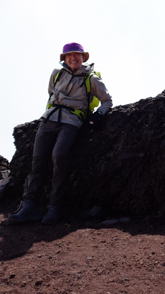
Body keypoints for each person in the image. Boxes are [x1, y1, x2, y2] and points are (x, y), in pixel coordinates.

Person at [7, 42, 113, 225]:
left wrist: (99, 115)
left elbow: (107, 101)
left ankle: (54, 207)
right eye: (69, 55)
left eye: (77, 55)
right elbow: (51, 94)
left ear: (83, 58)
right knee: (38, 161)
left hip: (71, 122)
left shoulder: (92, 79)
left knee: (59, 157)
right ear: (64, 58)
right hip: (48, 120)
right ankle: (29, 206)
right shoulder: (57, 74)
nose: (74, 58)